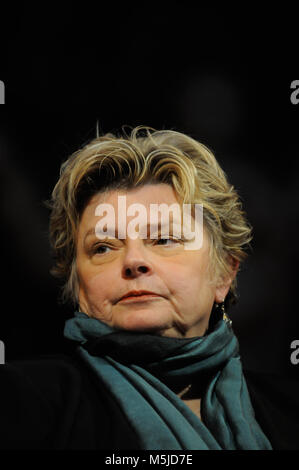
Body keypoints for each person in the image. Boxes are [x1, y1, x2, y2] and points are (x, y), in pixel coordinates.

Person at [0, 126, 298, 450]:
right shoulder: (21, 401)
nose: (133, 261)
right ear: (77, 285)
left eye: (164, 239)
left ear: (224, 273)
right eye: (103, 247)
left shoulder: (290, 409)